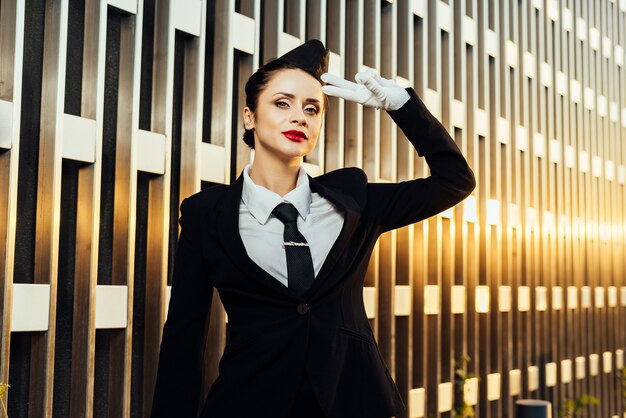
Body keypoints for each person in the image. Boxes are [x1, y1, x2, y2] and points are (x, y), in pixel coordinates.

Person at [151, 39, 475, 418]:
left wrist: (402, 106)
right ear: (249, 116)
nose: (299, 117)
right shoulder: (206, 214)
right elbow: (184, 338)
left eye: (312, 109)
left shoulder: (354, 200)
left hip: (355, 403)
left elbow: (455, 181)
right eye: (282, 103)